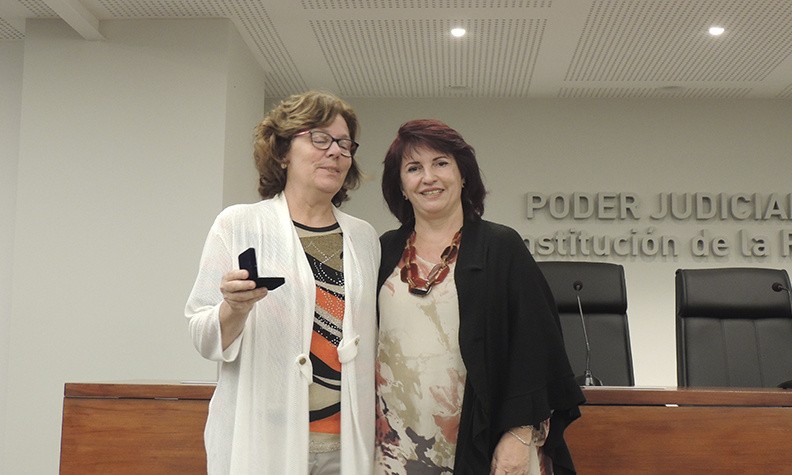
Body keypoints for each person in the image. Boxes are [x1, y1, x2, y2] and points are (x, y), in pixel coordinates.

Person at [375, 119, 585, 475]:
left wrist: (519, 436)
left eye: (441, 163)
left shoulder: (500, 247)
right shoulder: (383, 250)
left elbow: (536, 349)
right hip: (394, 449)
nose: (428, 177)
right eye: (413, 168)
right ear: (402, 187)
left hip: (486, 444)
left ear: (463, 176)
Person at [185, 91, 380, 475]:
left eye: (344, 144)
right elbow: (202, 337)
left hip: (345, 445)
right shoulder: (239, 225)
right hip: (265, 440)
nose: (336, 152)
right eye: (320, 139)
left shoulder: (364, 238)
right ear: (283, 151)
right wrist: (234, 309)